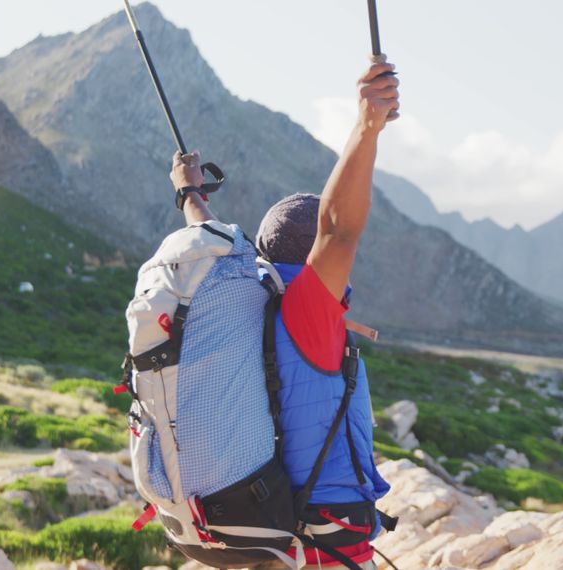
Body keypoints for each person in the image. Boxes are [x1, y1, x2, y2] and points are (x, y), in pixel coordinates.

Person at [169, 62, 400, 570]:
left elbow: (210, 236)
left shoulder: (249, 298)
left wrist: (191, 194)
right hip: (324, 532)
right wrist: (367, 125)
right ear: (310, 258)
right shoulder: (307, 312)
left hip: (276, 521)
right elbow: (338, 230)